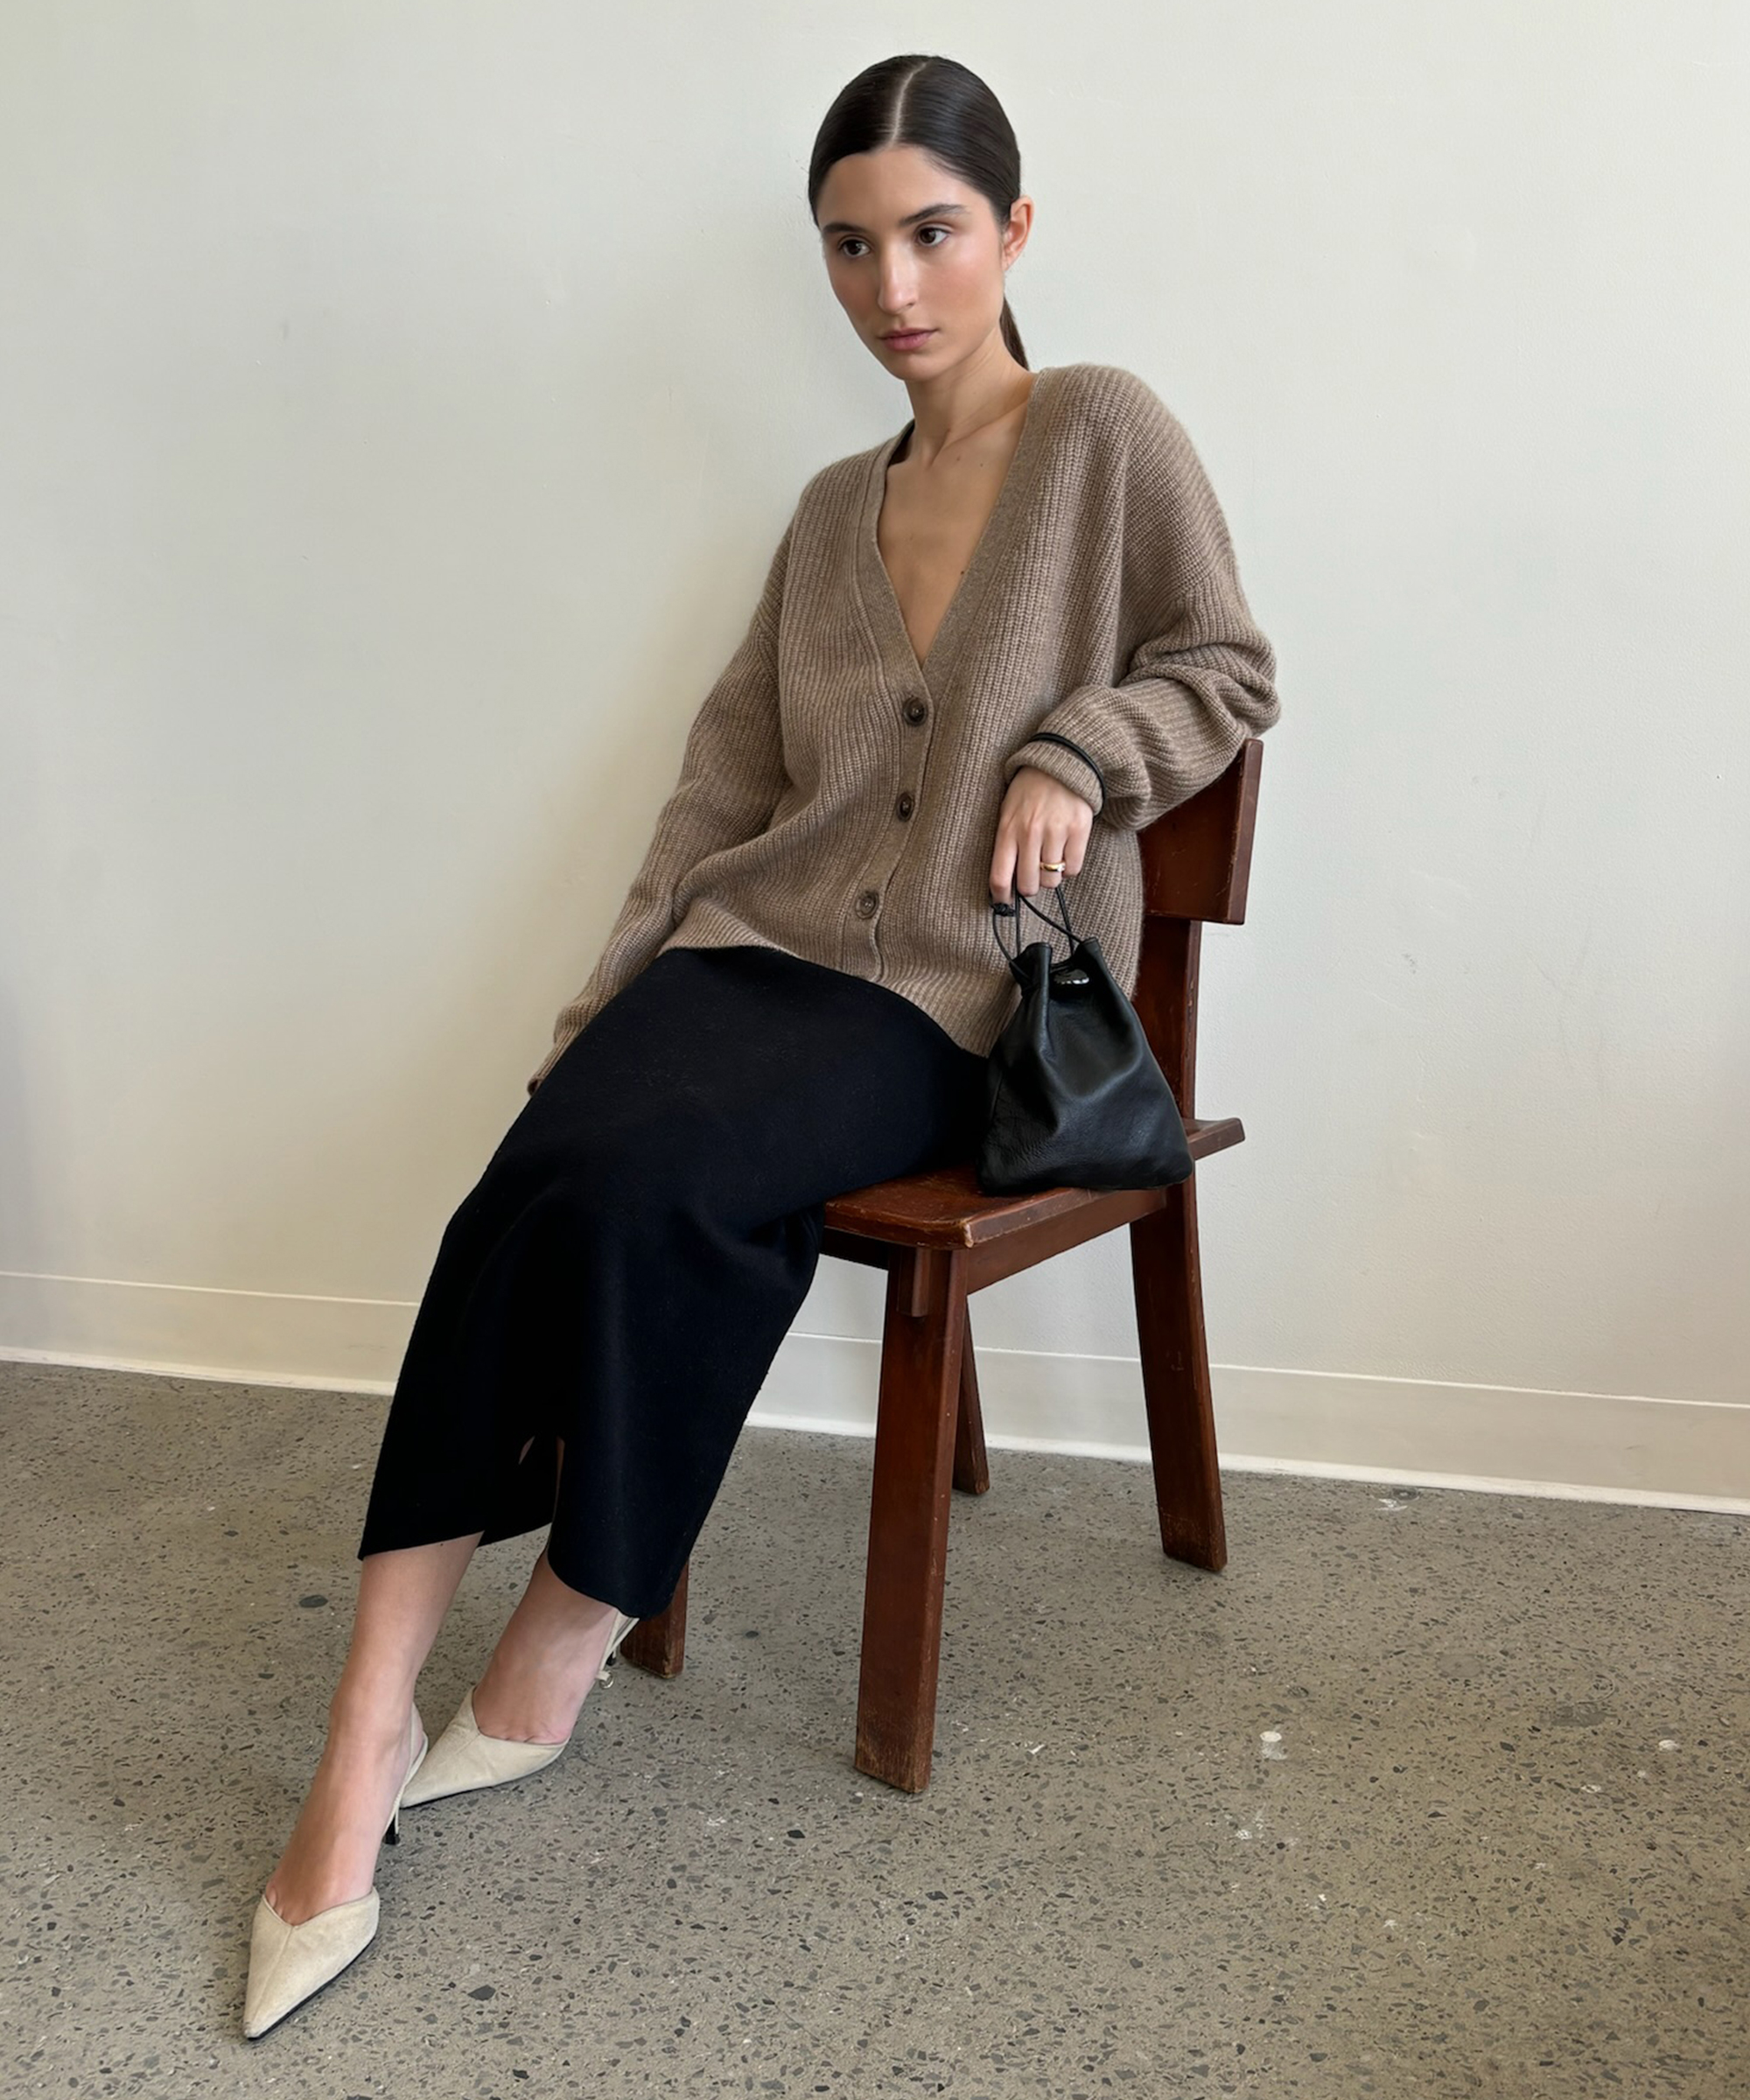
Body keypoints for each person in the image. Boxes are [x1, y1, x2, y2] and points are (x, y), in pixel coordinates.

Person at [242, 51, 1281, 2039]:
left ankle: (555, 1638)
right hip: (753, 958)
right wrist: (602, 1009)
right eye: (850, 247)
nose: (892, 283)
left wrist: (1075, 742)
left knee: (659, 1187)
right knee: (538, 1168)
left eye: (932, 233)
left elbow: (1227, 668)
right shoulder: (826, 512)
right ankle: (364, 1736)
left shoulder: (1100, 434)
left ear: (1014, 233)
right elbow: (719, 792)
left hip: (953, 999)